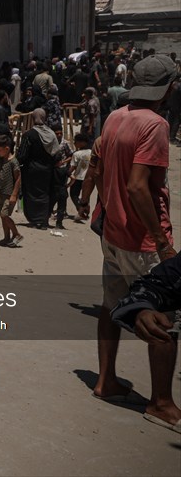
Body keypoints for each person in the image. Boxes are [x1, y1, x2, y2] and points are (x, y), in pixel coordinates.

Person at [89, 54, 179, 433]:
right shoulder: (155, 125)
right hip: (142, 239)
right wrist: (162, 242)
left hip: (112, 231)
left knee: (112, 305)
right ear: (167, 88)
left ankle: (106, 380)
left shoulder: (116, 116)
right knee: (163, 319)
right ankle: (161, 403)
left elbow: (105, 168)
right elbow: (138, 185)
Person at [15, 107, 58, 229]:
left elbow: (22, 154)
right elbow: (57, 153)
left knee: (31, 193)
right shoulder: (51, 134)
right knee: (44, 193)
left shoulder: (29, 135)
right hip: (47, 169)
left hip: (31, 169)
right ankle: (43, 219)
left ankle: (34, 219)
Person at [67, 132, 91, 222]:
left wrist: (67, 173)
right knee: (86, 195)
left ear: (81, 142)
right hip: (89, 178)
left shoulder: (76, 154)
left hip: (79, 178)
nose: (74, 143)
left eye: (75, 142)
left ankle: (80, 210)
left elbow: (73, 167)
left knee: (74, 194)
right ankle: (85, 211)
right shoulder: (91, 152)